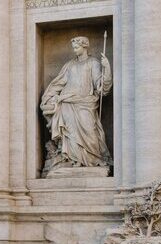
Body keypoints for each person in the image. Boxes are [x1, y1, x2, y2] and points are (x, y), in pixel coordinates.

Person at [40, 36, 112, 170]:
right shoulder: (69, 65)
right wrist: (49, 97)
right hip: (67, 103)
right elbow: (59, 83)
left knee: (90, 130)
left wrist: (106, 68)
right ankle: (74, 160)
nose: (74, 50)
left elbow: (101, 87)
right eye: (73, 48)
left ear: (85, 47)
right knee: (70, 133)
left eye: (77, 47)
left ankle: (92, 159)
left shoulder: (93, 63)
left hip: (86, 103)